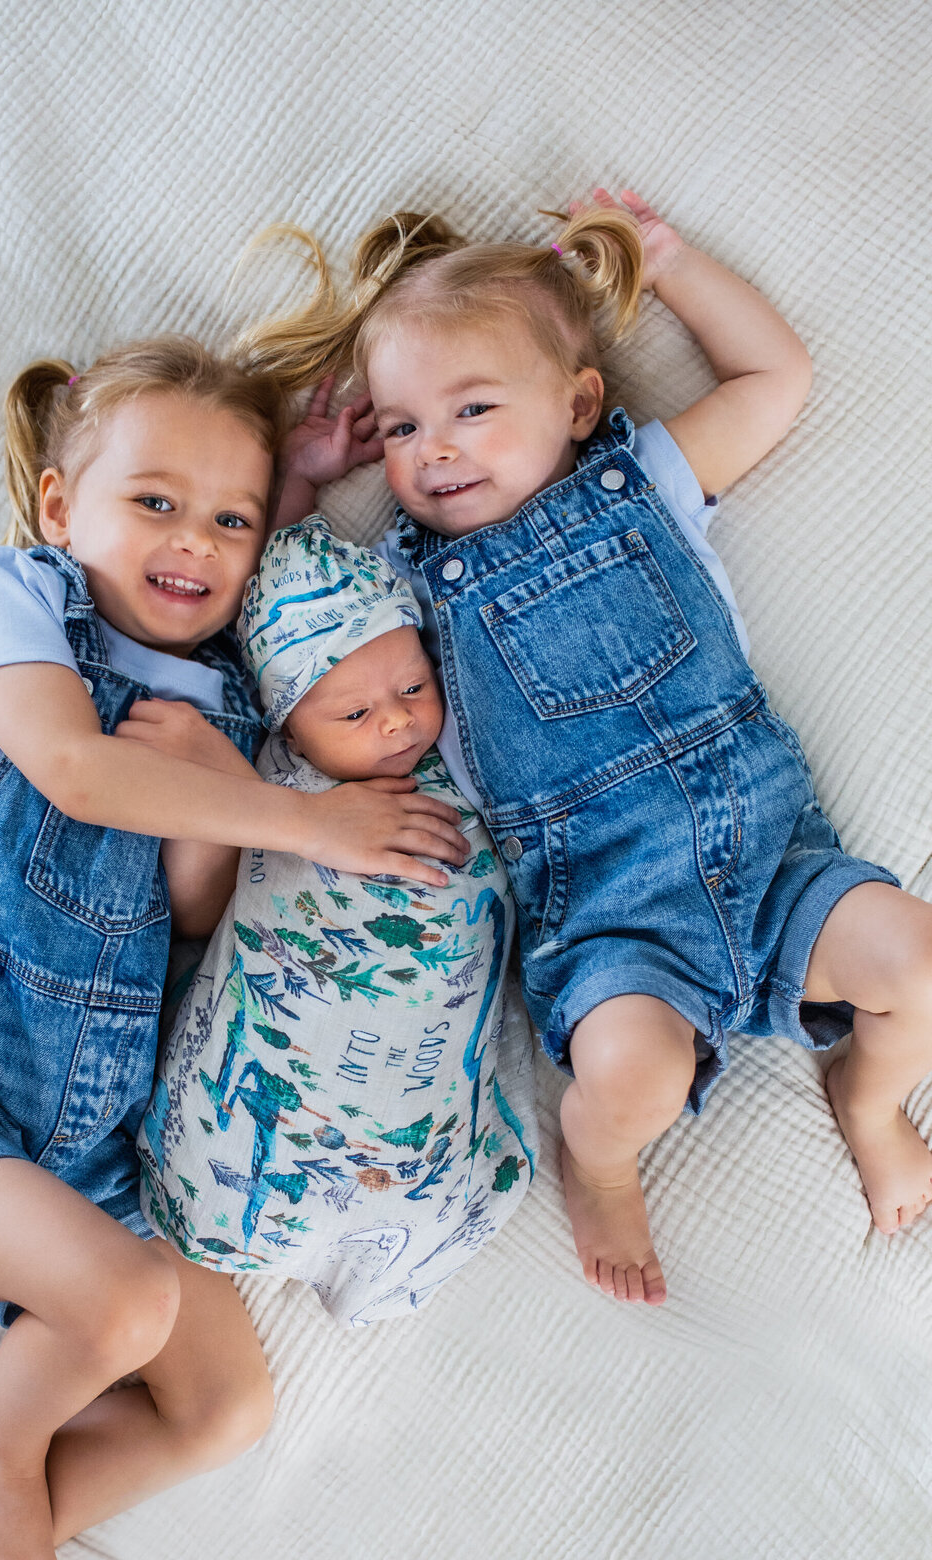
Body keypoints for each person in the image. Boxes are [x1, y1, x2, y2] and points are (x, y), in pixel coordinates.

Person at [0, 336, 469, 1560]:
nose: (194, 543)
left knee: (229, 1403)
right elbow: (65, 766)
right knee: (119, 1311)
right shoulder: (10, 602)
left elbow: (186, 921)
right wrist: (309, 822)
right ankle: (0, 1451)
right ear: (60, 509)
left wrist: (229, 785)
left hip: (98, 1120)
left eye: (227, 523)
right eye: (154, 504)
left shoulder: (229, 700)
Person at [239, 187, 932, 1306]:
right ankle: (600, 1162)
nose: (434, 450)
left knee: (921, 960)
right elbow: (275, 591)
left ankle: (870, 1100)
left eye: (472, 409)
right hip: (610, 919)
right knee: (631, 1076)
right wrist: (307, 481)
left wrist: (669, 263)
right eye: (404, 427)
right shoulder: (408, 586)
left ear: (580, 402)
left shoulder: (647, 483)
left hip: (769, 859)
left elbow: (775, 380)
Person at [138, 517, 537, 1326]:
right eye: (352, 716)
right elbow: (197, 912)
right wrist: (226, 785)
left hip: (411, 1106)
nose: (395, 723)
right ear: (287, 727)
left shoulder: (466, 757)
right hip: (266, 1103)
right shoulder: (270, 782)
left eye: (413, 690)